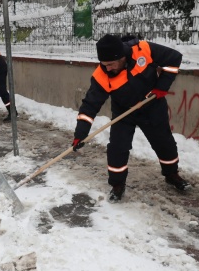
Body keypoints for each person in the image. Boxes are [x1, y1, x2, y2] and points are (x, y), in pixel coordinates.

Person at [72, 33, 190, 202]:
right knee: (117, 148)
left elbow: (174, 59)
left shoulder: (143, 50)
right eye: (104, 65)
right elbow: (90, 105)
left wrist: (161, 87)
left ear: (121, 57)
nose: (108, 69)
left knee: (164, 142)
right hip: (123, 111)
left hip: (151, 104)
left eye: (111, 64)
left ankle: (172, 174)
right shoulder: (102, 75)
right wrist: (80, 134)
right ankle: (117, 185)